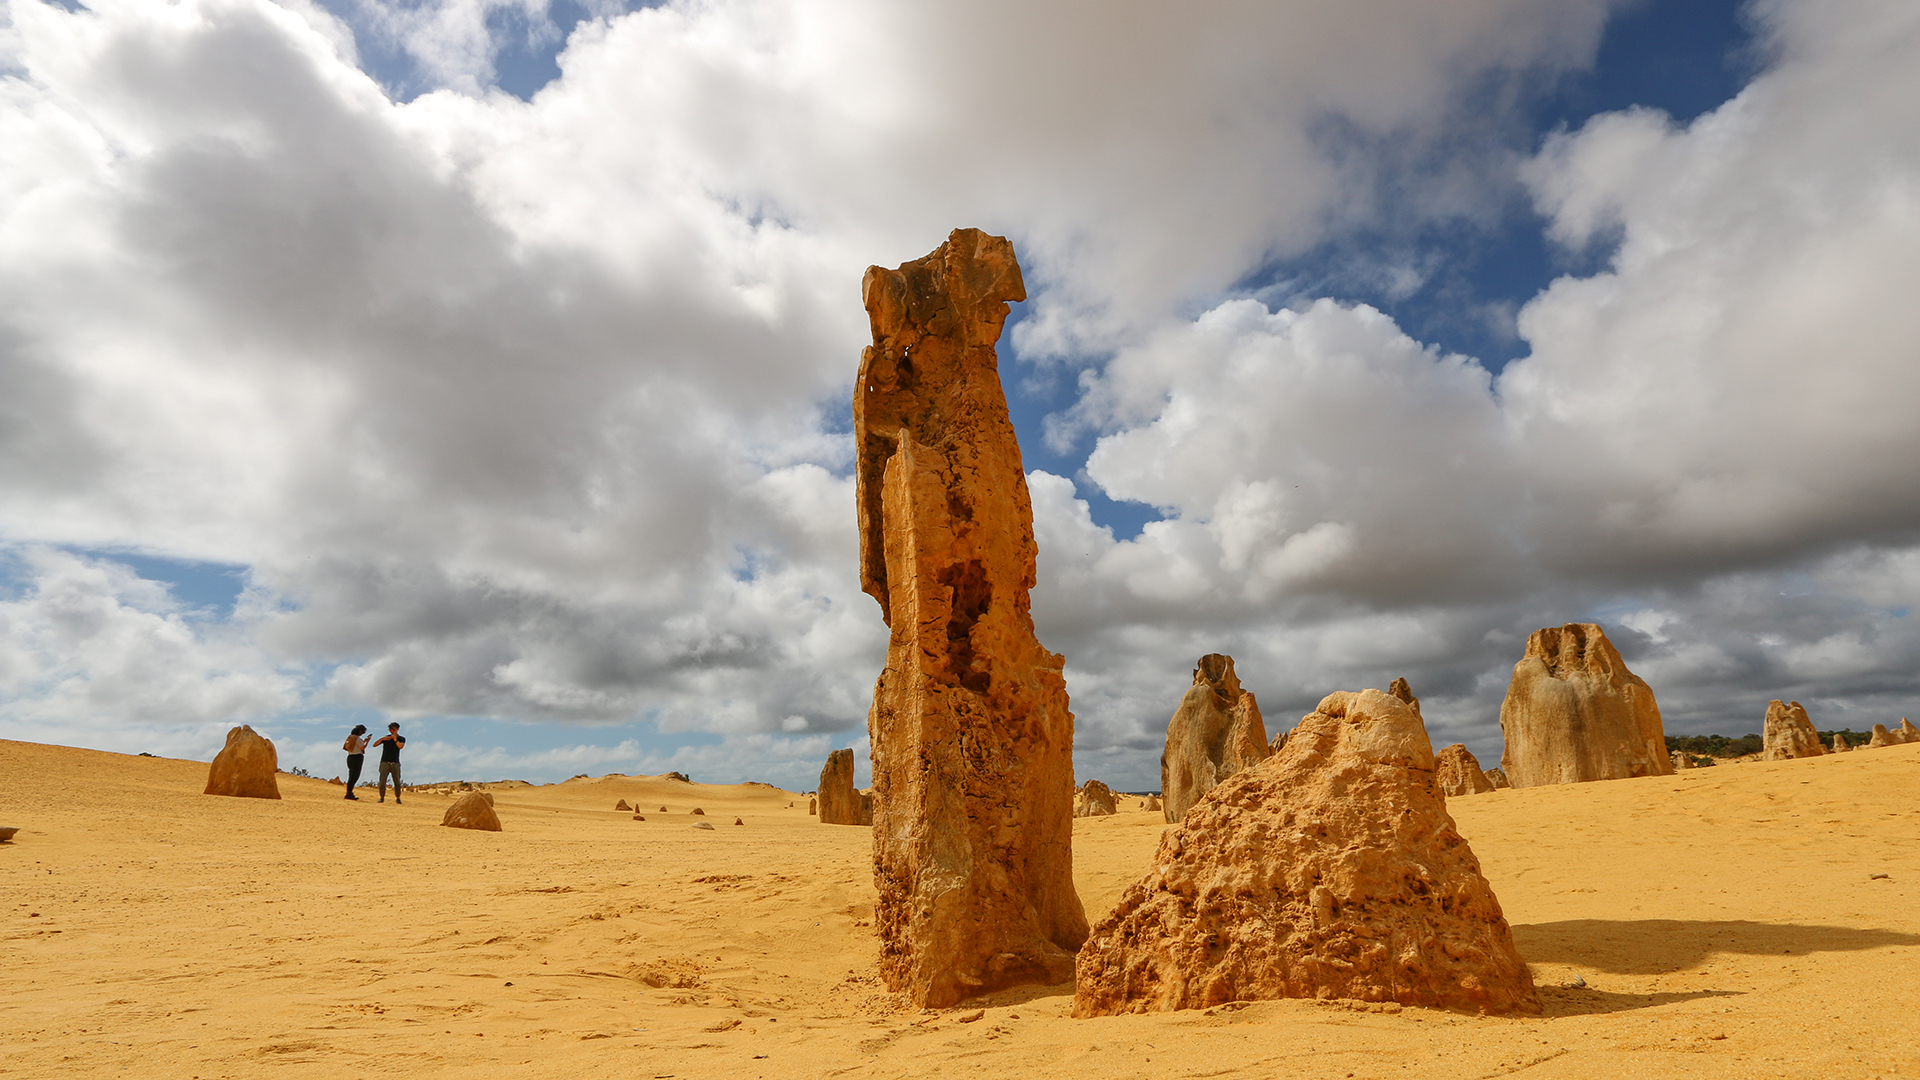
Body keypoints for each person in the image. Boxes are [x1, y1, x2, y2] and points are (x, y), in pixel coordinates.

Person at [371, 722, 407, 804]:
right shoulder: (386, 738)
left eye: (393, 729)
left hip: (395, 763)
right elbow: (374, 745)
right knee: (382, 781)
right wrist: (382, 739)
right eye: (390, 729)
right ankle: (381, 797)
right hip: (384, 762)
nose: (392, 731)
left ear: (397, 729)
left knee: (397, 781)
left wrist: (395, 740)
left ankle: (398, 798)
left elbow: (400, 746)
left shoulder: (401, 738)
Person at [342, 724, 371, 800]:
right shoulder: (357, 738)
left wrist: (363, 741)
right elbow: (362, 747)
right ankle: (349, 793)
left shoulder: (350, 737)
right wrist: (367, 741)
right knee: (355, 776)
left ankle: (349, 792)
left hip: (350, 756)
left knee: (351, 776)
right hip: (357, 757)